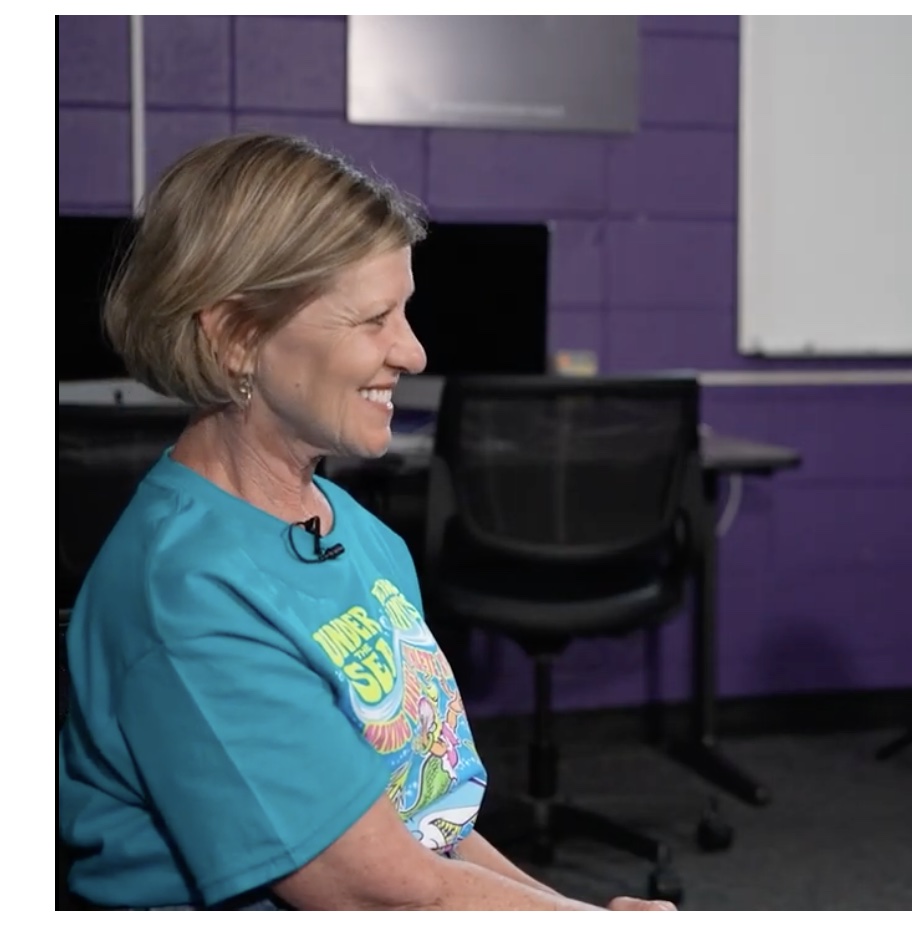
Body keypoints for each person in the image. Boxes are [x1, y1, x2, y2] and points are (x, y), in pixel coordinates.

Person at [55, 132, 675, 912]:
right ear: (236, 335)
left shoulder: (355, 533)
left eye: (404, 312)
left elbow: (424, 829)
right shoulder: (186, 597)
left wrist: (581, 914)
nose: (412, 352)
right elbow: (387, 893)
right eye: (373, 319)